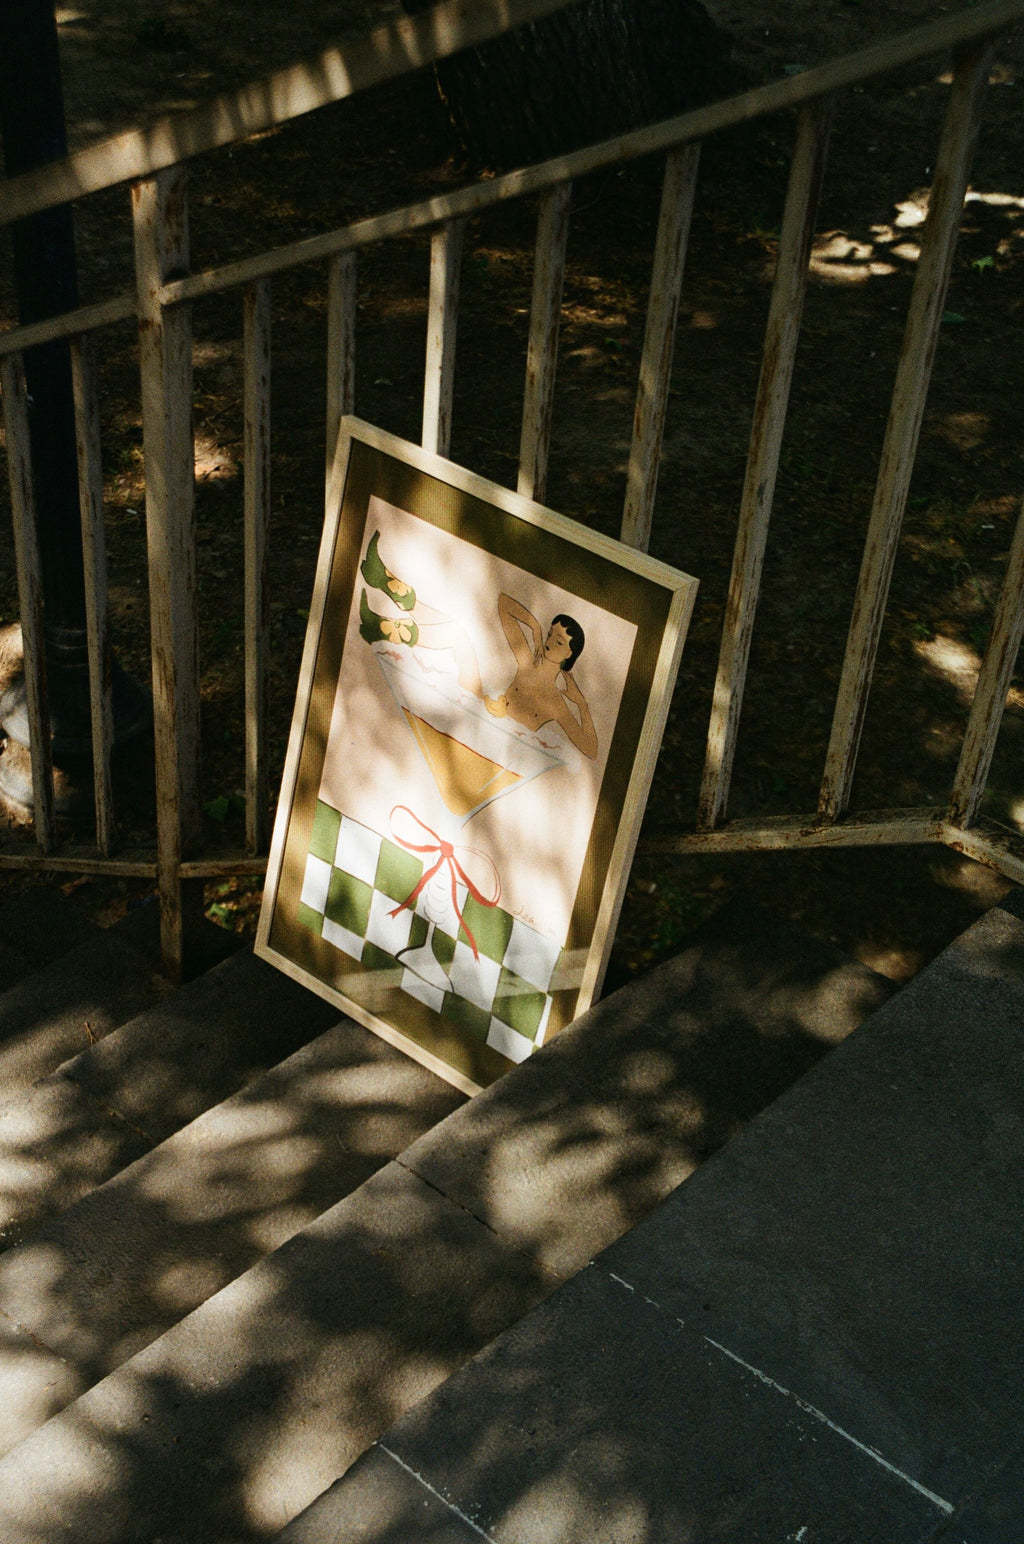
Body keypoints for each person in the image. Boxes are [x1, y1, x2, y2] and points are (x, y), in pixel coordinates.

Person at [358, 531, 597, 759]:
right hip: (481, 711)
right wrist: (534, 624)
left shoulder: (556, 703)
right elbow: (504, 604)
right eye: (550, 635)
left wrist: (583, 705)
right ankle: (384, 605)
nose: (547, 643)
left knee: (456, 635)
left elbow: (590, 749)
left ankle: (383, 617)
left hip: (489, 739)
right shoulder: (527, 661)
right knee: (456, 632)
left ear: (568, 654)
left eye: (557, 641)